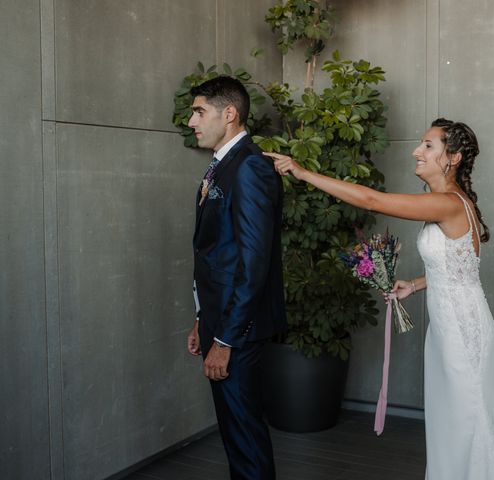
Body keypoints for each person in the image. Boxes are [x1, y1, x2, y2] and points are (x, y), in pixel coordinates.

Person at [266, 118, 494, 479]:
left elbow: (372, 200)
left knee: (469, 417)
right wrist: (417, 284)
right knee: (456, 418)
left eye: (427, 146)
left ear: (451, 157)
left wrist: (302, 172)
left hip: (462, 330)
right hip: (447, 326)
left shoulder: (448, 203)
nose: (415, 151)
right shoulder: (445, 203)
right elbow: (460, 267)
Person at [186, 76, 287, 480]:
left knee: (244, 435)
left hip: (237, 328)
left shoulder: (250, 168)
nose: (191, 121)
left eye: (199, 112)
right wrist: (201, 318)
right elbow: (215, 252)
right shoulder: (223, 164)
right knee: (235, 431)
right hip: (220, 319)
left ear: (229, 114)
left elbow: (252, 262)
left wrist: (225, 339)